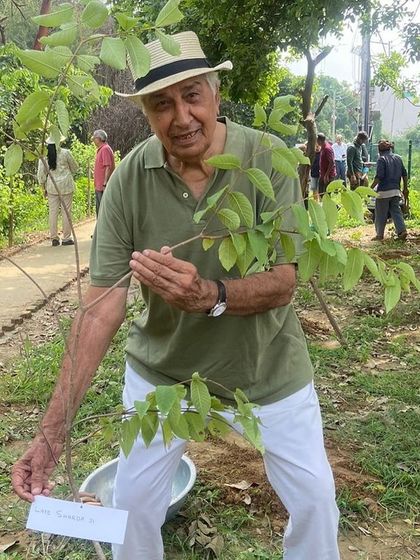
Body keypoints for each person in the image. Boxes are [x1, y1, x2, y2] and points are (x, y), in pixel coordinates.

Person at [12, 32, 340, 560]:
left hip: (267, 368)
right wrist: (51, 436)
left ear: (215, 92)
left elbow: (284, 278)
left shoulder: (266, 159)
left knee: (317, 502)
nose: (181, 117)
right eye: (161, 103)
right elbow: (99, 311)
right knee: (134, 508)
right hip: (164, 375)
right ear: (145, 112)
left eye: (192, 95)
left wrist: (210, 294)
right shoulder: (128, 180)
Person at [37, 137, 78, 246]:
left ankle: (54, 238)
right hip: (66, 186)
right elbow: (75, 168)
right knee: (67, 212)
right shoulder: (66, 153)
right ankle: (66, 238)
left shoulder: (44, 156)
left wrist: (43, 187)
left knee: (53, 212)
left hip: (52, 187)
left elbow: (41, 173)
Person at [370, 139, 408, 241]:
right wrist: (405, 188)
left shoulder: (381, 159)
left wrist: (369, 189)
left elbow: (379, 177)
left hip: (384, 192)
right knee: (396, 211)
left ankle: (379, 235)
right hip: (396, 191)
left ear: (379, 150)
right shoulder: (398, 158)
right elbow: (404, 174)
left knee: (380, 213)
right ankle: (402, 230)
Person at [92, 129, 115, 216]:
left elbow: (108, 166)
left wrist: (105, 183)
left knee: (102, 210)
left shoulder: (105, 149)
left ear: (98, 139)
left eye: (94, 138)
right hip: (99, 185)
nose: (94, 141)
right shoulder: (101, 149)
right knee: (99, 209)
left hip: (102, 186)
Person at [317, 133, 336, 198]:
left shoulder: (327, 148)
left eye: (317, 141)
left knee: (326, 195)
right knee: (321, 194)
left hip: (328, 176)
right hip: (323, 174)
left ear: (320, 140)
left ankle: (335, 207)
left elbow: (332, 162)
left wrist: (326, 175)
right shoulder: (322, 147)